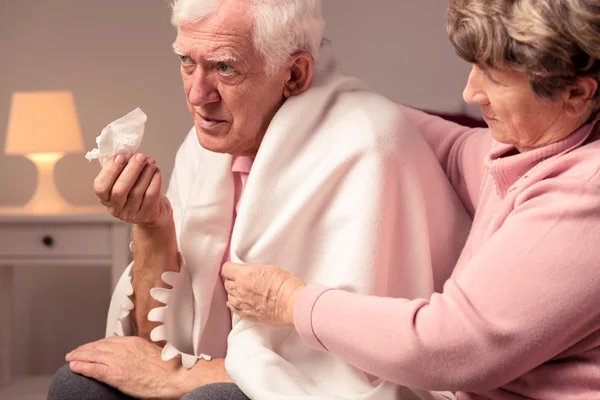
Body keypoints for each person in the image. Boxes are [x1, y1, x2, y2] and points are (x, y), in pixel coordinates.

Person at [48, 0, 471, 399]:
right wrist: (152, 226)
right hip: (232, 375)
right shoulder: (203, 148)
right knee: (77, 386)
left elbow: (352, 372)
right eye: (186, 61)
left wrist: (181, 375)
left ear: (295, 75)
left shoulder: (370, 145)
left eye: (225, 68)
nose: (198, 95)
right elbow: (152, 343)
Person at [222, 0, 600, 399]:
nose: (470, 92)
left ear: (576, 93)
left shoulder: (584, 196)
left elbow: (450, 346)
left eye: (494, 78)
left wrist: (291, 302)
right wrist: (328, 98)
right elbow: (454, 148)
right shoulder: (532, 150)